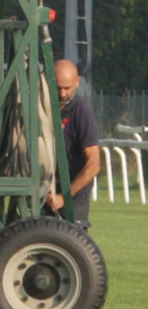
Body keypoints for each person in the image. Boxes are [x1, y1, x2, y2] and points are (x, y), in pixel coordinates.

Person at [49, 59, 101, 228]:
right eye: (58, 88)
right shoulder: (42, 108)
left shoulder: (82, 114)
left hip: (73, 193)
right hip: (46, 192)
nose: (62, 94)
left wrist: (64, 197)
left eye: (67, 88)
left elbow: (94, 165)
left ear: (77, 82)